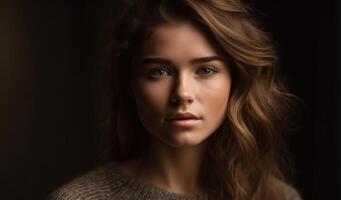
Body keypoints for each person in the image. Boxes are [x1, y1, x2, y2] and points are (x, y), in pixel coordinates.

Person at [48, 0, 302, 199]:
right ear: (130, 84)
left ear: (236, 82)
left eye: (206, 70)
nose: (182, 93)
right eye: (159, 72)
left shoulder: (278, 197)